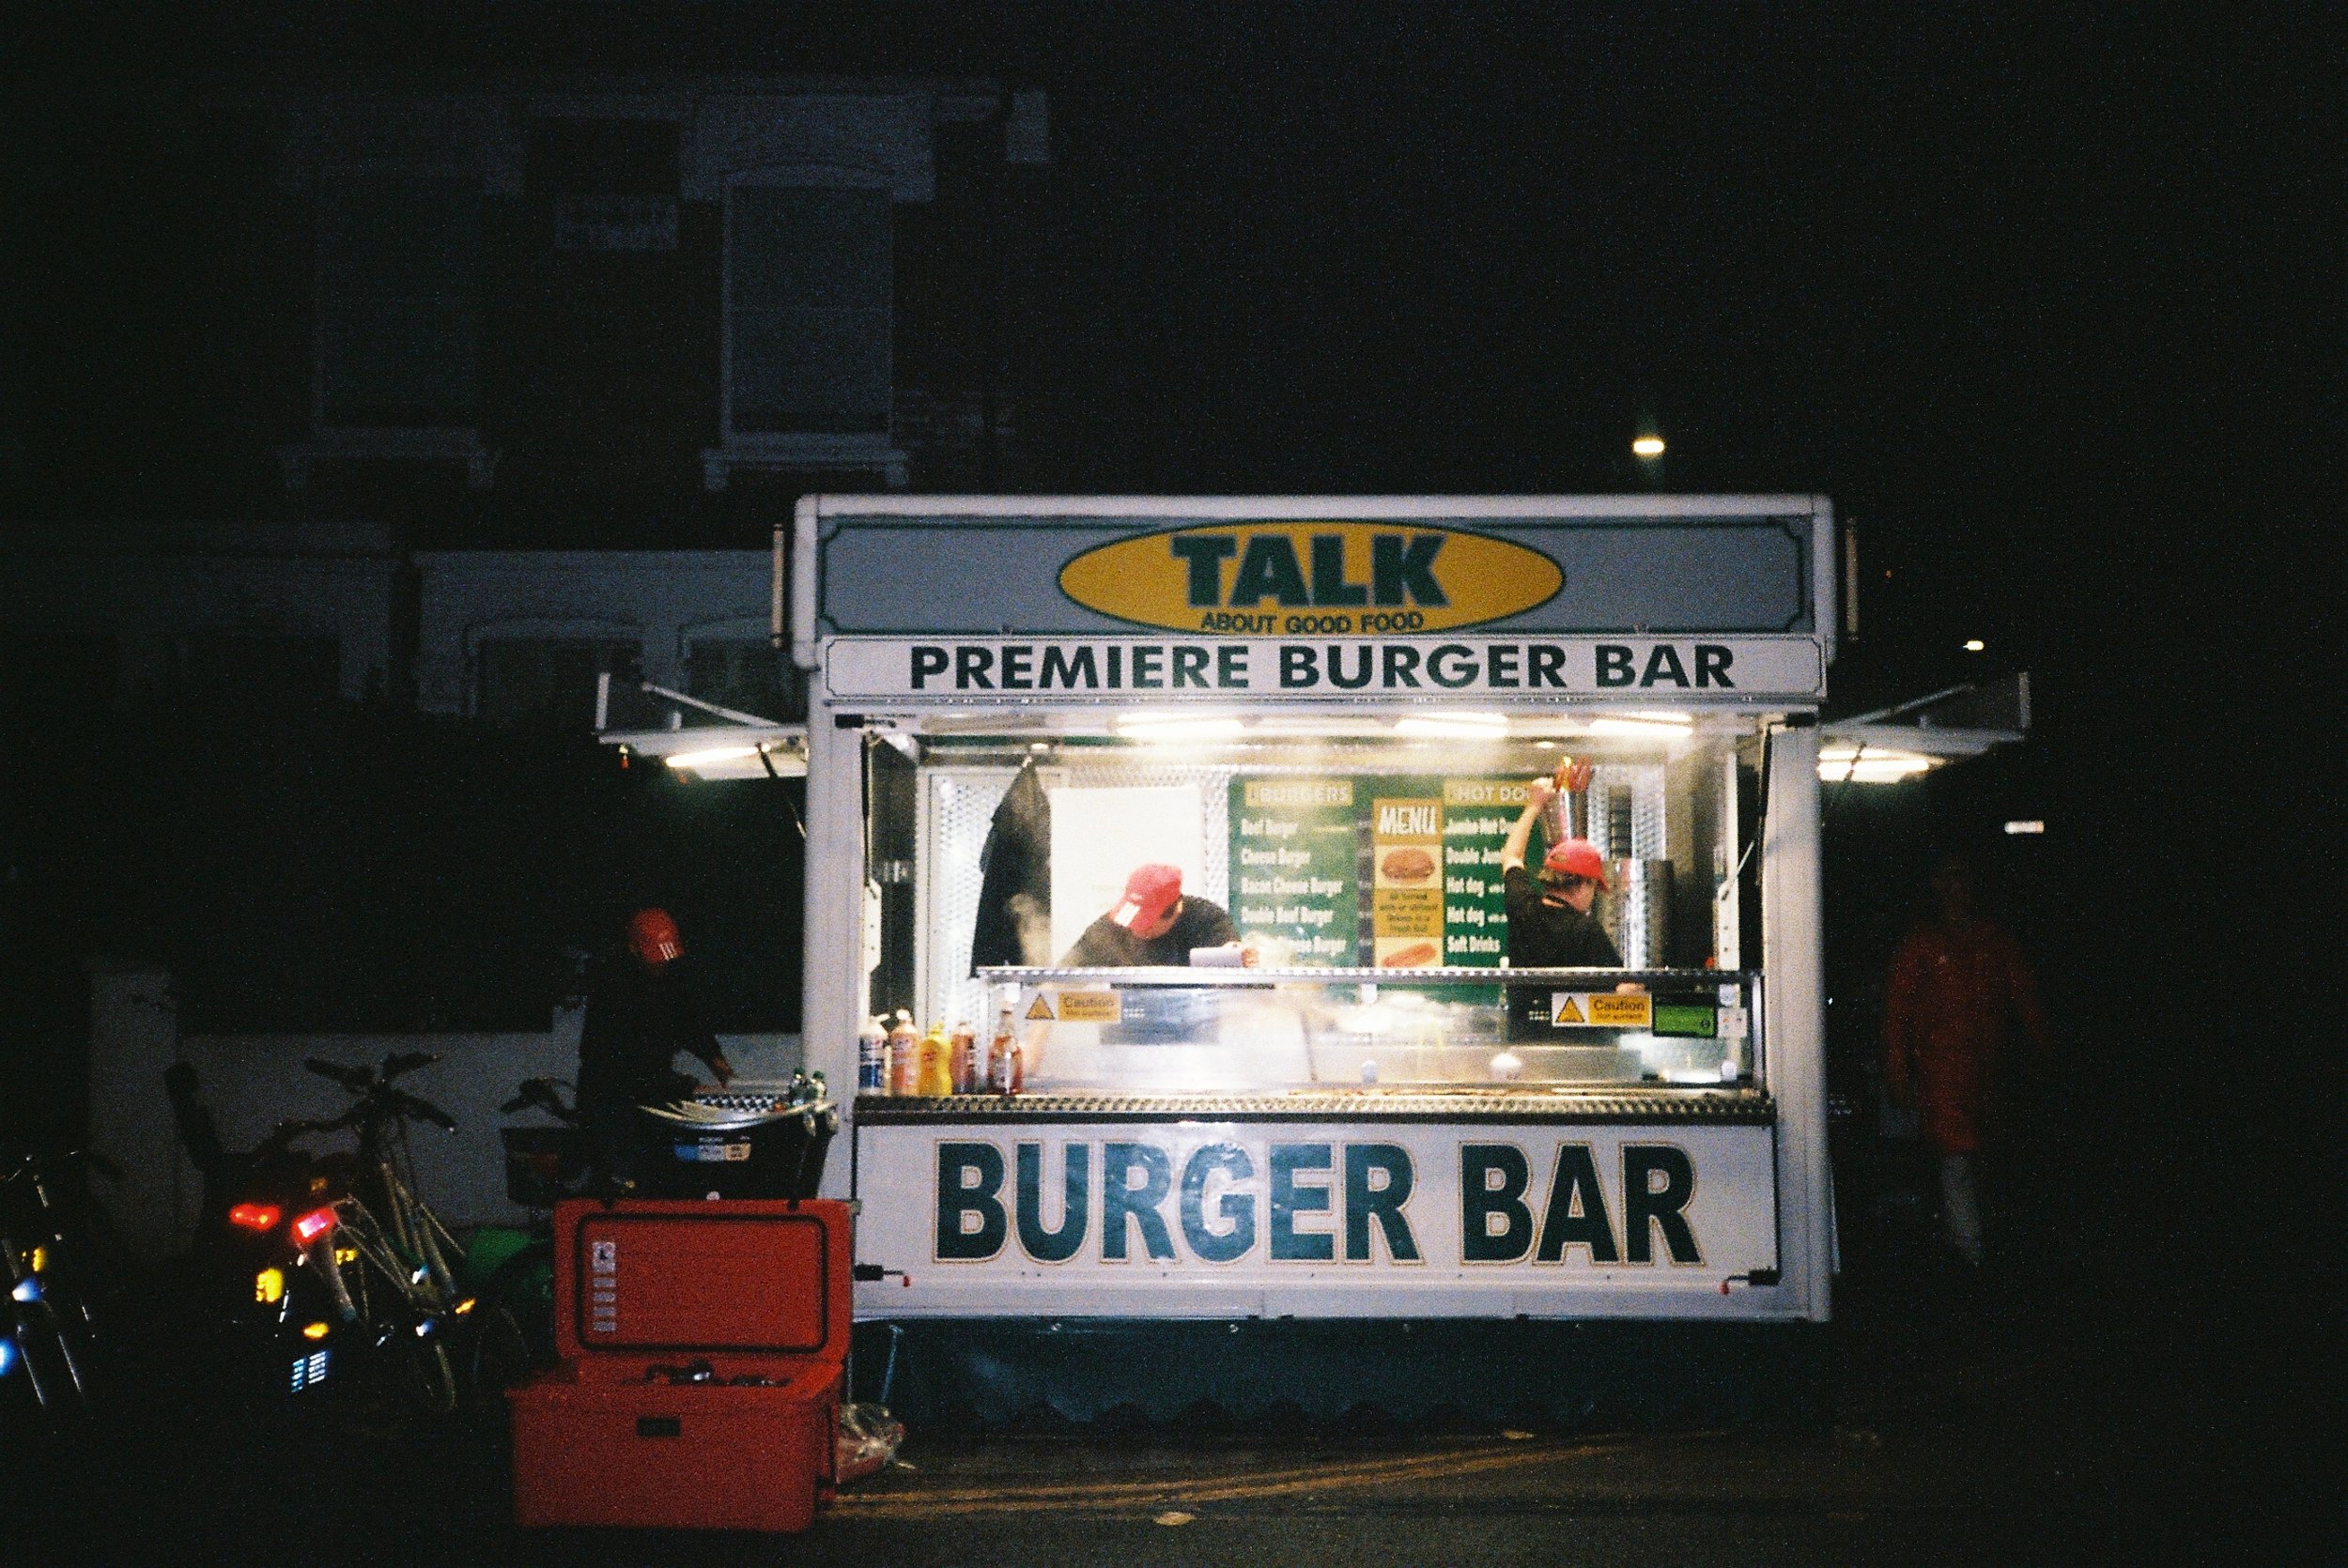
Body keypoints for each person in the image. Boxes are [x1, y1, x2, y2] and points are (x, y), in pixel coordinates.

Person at [1882, 853, 2049, 1269]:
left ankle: (1993, 1246)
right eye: (1948, 877)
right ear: (1937, 885)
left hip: (1993, 1077)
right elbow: (1896, 1016)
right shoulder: (1921, 946)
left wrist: (2043, 1059)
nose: (1957, 887)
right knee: (1956, 1160)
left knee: (1990, 1161)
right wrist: (1899, 1075)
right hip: (1942, 1078)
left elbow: (2027, 1005)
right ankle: (1970, 1251)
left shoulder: (1995, 941)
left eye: (1964, 877)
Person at [576, 907, 734, 1186]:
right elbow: (621, 1064)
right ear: (634, 950)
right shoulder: (614, 990)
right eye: (656, 960)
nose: (662, 966)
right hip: (613, 1105)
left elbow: (688, 1020)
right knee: (626, 1182)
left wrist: (716, 1061)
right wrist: (684, 1086)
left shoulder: (666, 979)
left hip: (649, 1095)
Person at [1499, 777, 1625, 969]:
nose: (1592, 898)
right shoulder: (1586, 930)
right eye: (1594, 887)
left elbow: (1512, 856)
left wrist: (1534, 804)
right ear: (1583, 884)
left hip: (1523, 1001)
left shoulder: (1523, 908)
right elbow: (1622, 987)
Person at [1058, 863, 1238, 967]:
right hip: (1125, 1028)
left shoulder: (1207, 921)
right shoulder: (1113, 927)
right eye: (1132, 919)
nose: (1135, 929)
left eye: (1146, 923)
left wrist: (1235, 955)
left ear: (1175, 911)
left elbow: (1233, 963)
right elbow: (1059, 981)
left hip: (1196, 1027)